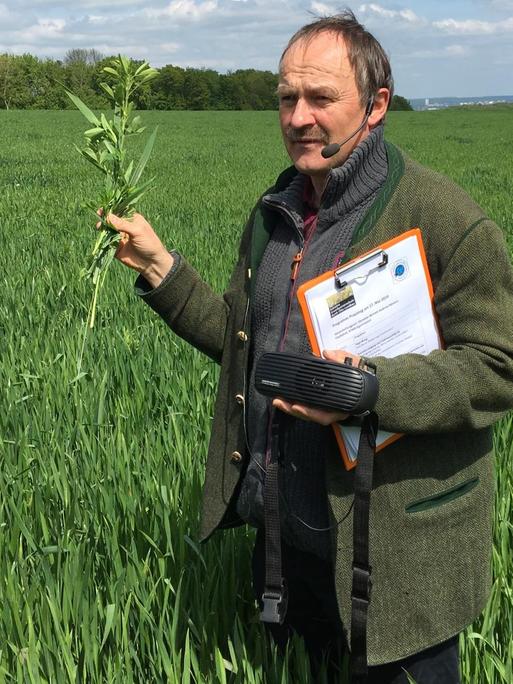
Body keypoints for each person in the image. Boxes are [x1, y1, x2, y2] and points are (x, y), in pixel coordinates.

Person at [102, 11, 513, 684]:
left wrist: (374, 388)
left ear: (375, 105)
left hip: (395, 559)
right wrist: (161, 271)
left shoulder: (445, 219)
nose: (298, 116)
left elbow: (496, 369)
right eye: (286, 98)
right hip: (288, 545)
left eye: (320, 98)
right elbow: (251, 351)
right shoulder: (277, 213)